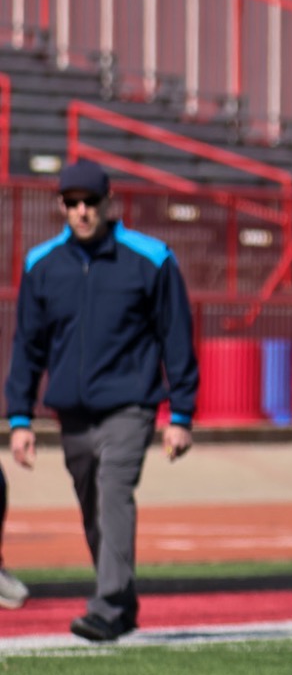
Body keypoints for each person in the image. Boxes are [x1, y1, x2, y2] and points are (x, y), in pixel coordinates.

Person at [6, 162, 199, 642]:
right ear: (61, 206)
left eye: (90, 202)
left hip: (129, 406)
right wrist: (20, 418)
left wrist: (180, 414)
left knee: (114, 494)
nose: (82, 211)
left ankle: (108, 605)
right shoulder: (41, 264)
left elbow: (176, 336)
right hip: (71, 412)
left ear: (108, 202)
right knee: (92, 508)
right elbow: (28, 345)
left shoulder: (151, 259)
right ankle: (123, 604)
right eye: (72, 203)